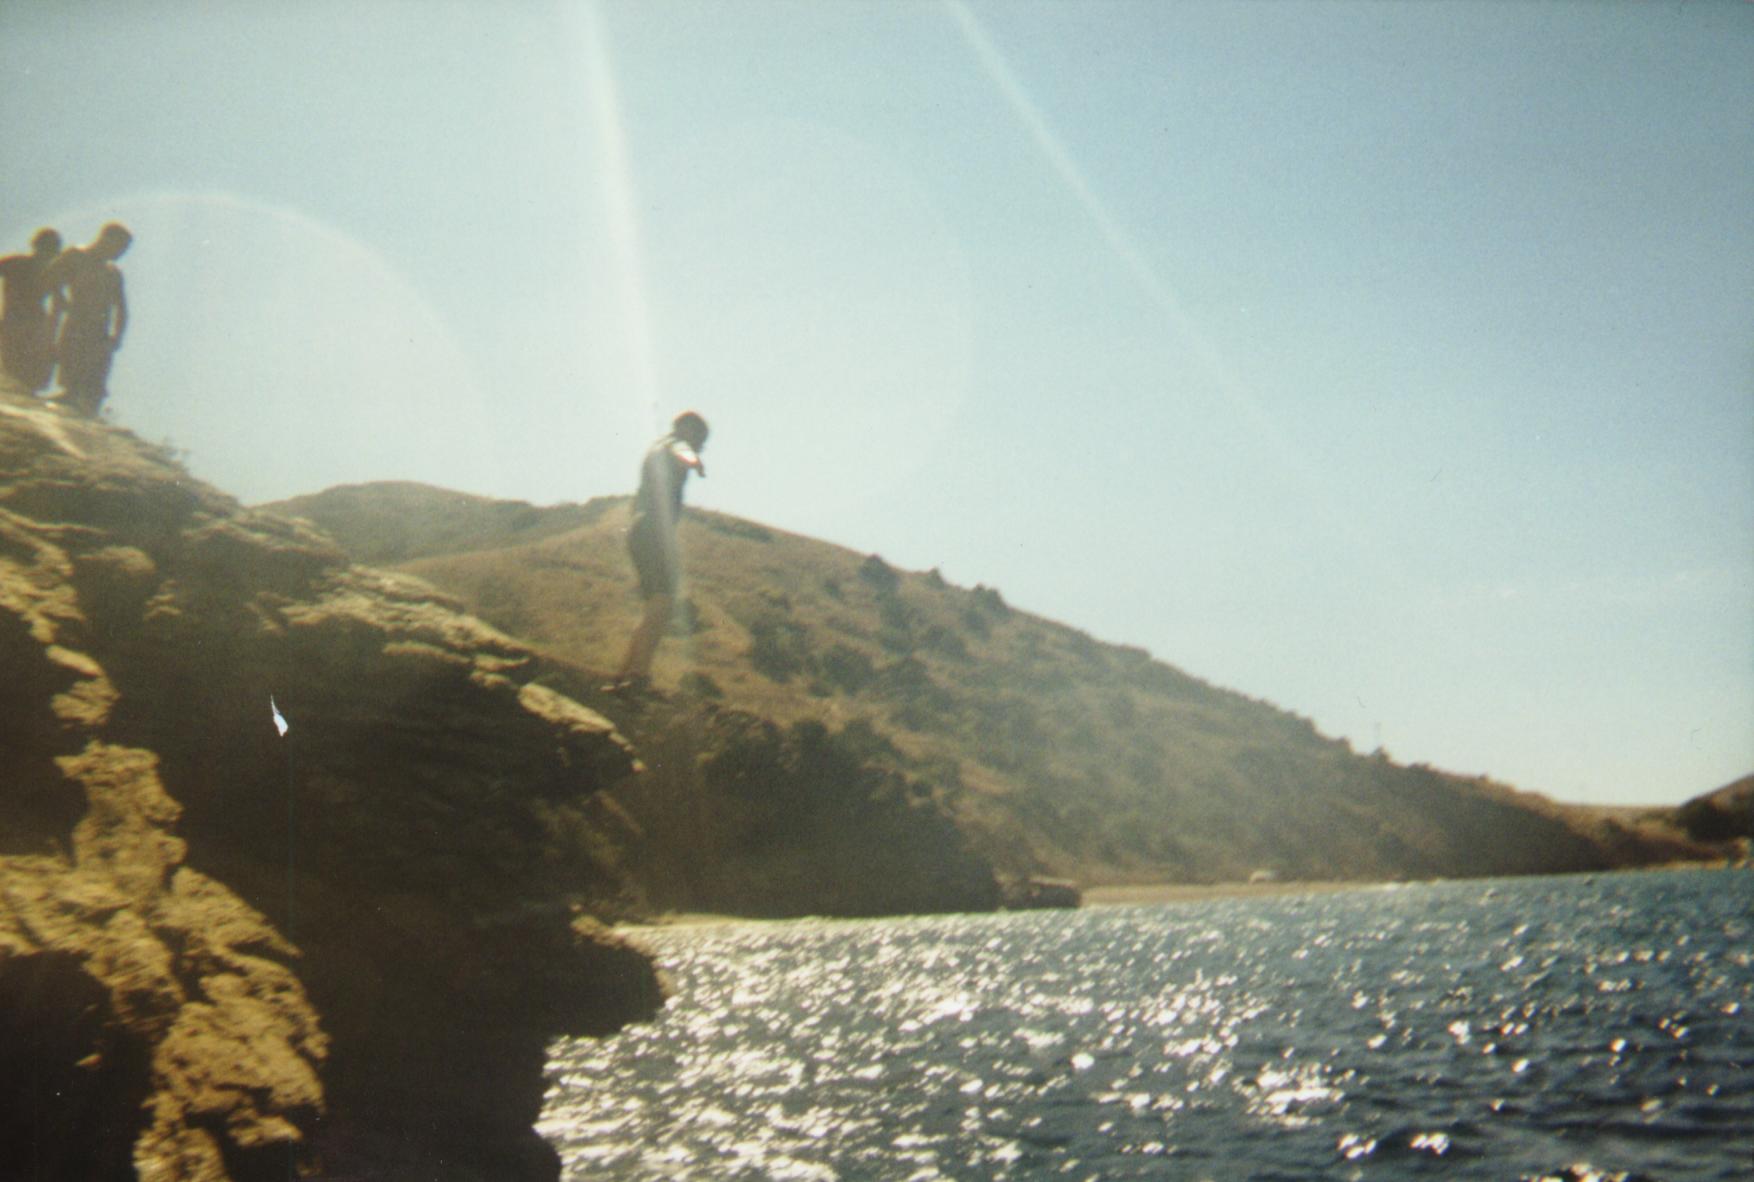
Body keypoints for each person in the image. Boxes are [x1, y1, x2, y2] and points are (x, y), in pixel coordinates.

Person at [609, 411, 710, 693]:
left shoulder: (658, 449)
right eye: (700, 438)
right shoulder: (673, 446)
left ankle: (625, 674)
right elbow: (683, 450)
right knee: (662, 604)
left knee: (656, 605)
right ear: (687, 431)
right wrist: (696, 462)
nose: (701, 444)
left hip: (642, 530)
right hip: (652, 532)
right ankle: (637, 677)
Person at [45, 222, 131, 416]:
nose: (121, 253)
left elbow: (122, 308)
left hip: (100, 333)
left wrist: (117, 336)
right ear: (106, 239)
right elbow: (50, 277)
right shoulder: (76, 256)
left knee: (94, 387)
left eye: (124, 249)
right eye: (120, 247)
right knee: (72, 375)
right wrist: (60, 297)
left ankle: (88, 415)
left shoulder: (113, 273)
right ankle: (69, 401)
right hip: (76, 323)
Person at [0, 227, 63, 392]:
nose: (48, 253)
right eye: (46, 247)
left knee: (26, 371)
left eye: (52, 249)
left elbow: (59, 304)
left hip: (32, 325)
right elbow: (59, 304)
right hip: (16, 321)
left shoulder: (52, 272)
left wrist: (52, 337)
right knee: (14, 366)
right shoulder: (16, 263)